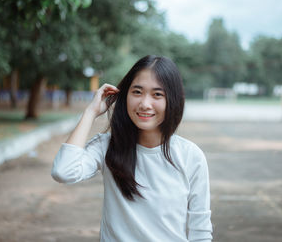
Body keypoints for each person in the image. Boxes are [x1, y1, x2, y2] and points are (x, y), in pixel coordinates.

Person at [51, 55, 213, 241]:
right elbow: (63, 171)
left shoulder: (190, 156)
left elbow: (200, 231)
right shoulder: (107, 146)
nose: (145, 104)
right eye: (137, 92)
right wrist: (91, 112)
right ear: (125, 95)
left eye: (157, 94)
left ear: (173, 100)